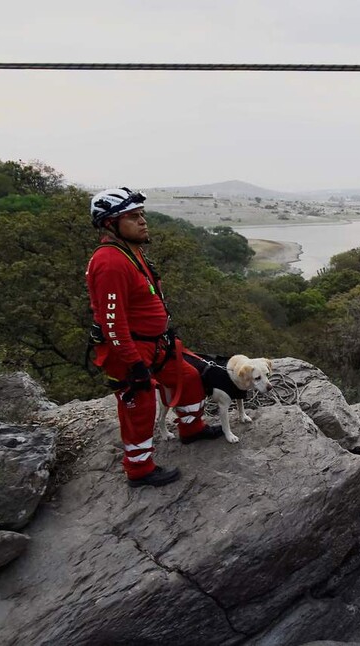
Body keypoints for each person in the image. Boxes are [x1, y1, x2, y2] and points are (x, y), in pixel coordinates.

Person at [85, 187, 223, 487]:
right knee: (141, 404)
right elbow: (113, 321)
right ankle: (139, 469)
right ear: (111, 224)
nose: (143, 221)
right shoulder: (110, 262)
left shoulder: (131, 253)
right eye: (133, 217)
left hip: (153, 343)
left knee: (186, 377)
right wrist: (133, 364)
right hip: (130, 349)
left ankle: (192, 428)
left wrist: (163, 332)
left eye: (142, 215)